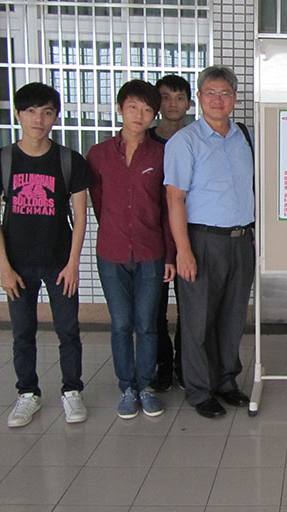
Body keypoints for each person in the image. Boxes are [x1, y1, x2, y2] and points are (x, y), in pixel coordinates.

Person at [0, 82, 92, 427]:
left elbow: (81, 217)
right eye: (30, 111)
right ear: (18, 114)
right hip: (18, 264)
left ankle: (72, 390)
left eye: (46, 112)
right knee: (22, 332)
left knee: (68, 330)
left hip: (59, 263)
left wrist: (73, 264)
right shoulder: (0, 160)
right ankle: (28, 393)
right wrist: (4, 268)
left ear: (56, 117)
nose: (38, 120)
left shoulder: (69, 160)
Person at [164, 65, 254, 418]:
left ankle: (226, 382)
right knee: (198, 321)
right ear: (199, 98)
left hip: (241, 239)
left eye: (225, 93)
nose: (219, 100)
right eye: (211, 93)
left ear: (235, 98)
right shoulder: (185, 141)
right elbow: (175, 198)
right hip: (202, 240)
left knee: (232, 317)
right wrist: (183, 251)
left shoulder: (245, 137)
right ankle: (200, 390)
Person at [87, 79, 176, 419]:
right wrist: (116, 231)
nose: (140, 115)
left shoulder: (162, 154)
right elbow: (98, 203)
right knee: (122, 324)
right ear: (120, 109)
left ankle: (147, 386)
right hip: (111, 254)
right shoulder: (98, 154)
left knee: (148, 323)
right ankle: (127, 387)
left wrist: (170, 255)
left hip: (152, 252)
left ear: (155, 115)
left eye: (147, 109)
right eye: (133, 107)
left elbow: (167, 209)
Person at [149, 74, 194, 391]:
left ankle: (184, 366)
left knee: (190, 309)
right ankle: (162, 365)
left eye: (179, 97)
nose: (173, 104)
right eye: (165, 97)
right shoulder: (145, 142)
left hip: (192, 237)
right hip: (154, 238)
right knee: (155, 310)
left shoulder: (197, 138)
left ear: (190, 103)